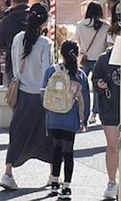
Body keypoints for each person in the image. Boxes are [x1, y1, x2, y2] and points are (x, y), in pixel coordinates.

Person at [0, 3, 55, 191]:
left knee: (17, 133)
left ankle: (8, 172)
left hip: (22, 93)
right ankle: (53, 174)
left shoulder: (18, 38)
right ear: (45, 22)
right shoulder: (46, 43)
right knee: (48, 134)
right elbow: (49, 71)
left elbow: (14, 65)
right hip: (41, 95)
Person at [42, 40, 91, 200]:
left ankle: (54, 183)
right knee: (68, 152)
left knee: (56, 149)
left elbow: (43, 94)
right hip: (70, 118)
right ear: (77, 54)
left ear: (61, 53)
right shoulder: (80, 74)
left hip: (54, 117)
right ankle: (67, 188)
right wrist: (84, 119)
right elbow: (85, 99)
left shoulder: (51, 71)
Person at [92, 45, 121, 200]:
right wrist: (99, 84)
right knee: (112, 146)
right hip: (109, 108)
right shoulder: (104, 58)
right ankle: (112, 182)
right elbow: (95, 78)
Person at [0, 0, 31, 82]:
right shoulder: (35, 16)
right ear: (27, 0)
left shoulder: (7, 19)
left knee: (14, 94)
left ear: (13, 1)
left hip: (13, 61)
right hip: (34, 61)